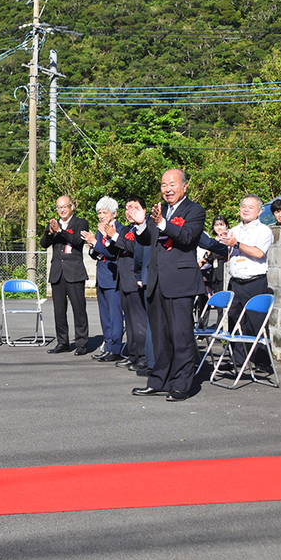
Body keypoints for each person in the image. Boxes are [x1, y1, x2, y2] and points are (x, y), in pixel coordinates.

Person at [124, 169, 206, 401]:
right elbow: (145, 240)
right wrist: (142, 223)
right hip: (157, 281)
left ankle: (182, 383)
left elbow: (188, 237)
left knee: (181, 336)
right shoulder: (159, 211)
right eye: (163, 185)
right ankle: (159, 380)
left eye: (172, 184)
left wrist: (161, 223)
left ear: (184, 186)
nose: (167, 189)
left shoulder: (195, 210)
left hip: (181, 282)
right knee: (160, 336)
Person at [218, 195, 274, 373]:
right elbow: (228, 255)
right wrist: (221, 246)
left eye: (250, 207)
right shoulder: (234, 229)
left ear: (259, 211)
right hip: (235, 281)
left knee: (256, 321)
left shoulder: (264, 230)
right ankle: (238, 360)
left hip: (254, 281)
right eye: (243, 206)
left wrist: (236, 244)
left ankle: (263, 363)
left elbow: (258, 253)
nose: (246, 209)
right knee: (235, 321)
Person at [40, 195, 90, 356]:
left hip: (74, 271)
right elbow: (43, 244)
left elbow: (77, 240)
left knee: (79, 308)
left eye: (65, 206)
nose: (62, 210)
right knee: (59, 310)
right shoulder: (53, 224)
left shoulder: (80, 223)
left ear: (72, 207)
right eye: (59, 207)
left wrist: (60, 231)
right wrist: (50, 232)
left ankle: (82, 343)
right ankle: (62, 342)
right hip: (57, 272)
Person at [104, 195, 149, 372]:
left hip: (135, 279)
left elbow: (134, 248)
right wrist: (107, 237)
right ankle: (133, 354)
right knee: (129, 321)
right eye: (127, 208)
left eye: (134, 207)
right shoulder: (126, 229)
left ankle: (144, 356)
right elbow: (116, 249)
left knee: (139, 321)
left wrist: (114, 235)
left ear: (143, 210)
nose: (129, 211)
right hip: (123, 279)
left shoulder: (144, 230)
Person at [82, 197, 124, 362]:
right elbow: (98, 254)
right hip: (102, 276)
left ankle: (116, 349)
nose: (101, 216)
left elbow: (113, 253)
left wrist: (96, 244)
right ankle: (107, 346)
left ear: (114, 213)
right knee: (104, 316)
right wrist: (93, 245)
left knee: (115, 316)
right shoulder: (100, 230)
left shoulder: (120, 229)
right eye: (99, 213)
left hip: (114, 277)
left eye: (104, 212)